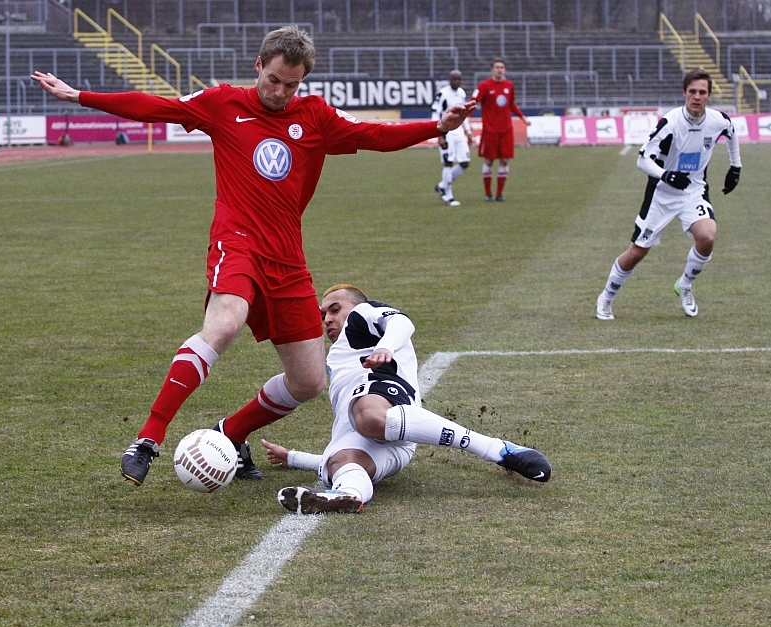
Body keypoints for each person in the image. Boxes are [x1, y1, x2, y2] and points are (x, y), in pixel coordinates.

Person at [31, 26, 474, 489]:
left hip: (288, 257)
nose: (280, 92)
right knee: (223, 326)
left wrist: (437, 128)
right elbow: (157, 106)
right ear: (258, 66)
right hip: (237, 241)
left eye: (291, 85)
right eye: (274, 80)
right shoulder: (223, 103)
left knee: (308, 382)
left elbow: (373, 134)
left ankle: (231, 433)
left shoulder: (315, 115)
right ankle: (148, 439)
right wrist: (79, 96)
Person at [261, 284, 552, 514]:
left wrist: (385, 347)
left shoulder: (362, 316)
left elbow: (401, 322)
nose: (327, 319)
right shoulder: (337, 355)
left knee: (369, 418)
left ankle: (498, 449)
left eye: (335, 310)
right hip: (393, 445)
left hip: (384, 401)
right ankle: (347, 496)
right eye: (323, 315)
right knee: (341, 463)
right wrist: (293, 458)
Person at [596, 69, 741, 321]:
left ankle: (685, 284)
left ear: (709, 96)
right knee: (637, 252)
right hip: (661, 195)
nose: (697, 97)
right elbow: (642, 159)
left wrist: (735, 166)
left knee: (707, 236)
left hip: (693, 191)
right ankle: (606, 297)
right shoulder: (671, 123)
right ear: (684, 93)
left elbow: (731, 131)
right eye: (692, 91)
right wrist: (666, 175)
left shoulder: (717, 120)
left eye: (702, 92)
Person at [470, 58, 530, 202]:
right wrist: (466, 117)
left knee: (505, 160)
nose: (499, 70)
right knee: (489, 160)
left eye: (502, 67)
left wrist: (522, 117)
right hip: (490, 130)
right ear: (492, 69)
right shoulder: (484, 85)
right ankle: (488, 193)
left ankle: (499, 194)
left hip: (506, 130)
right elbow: (473, 101)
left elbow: (511, 104)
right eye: (497, 67)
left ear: (505, 70)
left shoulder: (509, 85)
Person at [431, 70, 472, 207]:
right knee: (448, 162)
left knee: (465, 162)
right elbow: (435, 113)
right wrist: (438, 134)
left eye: (459, 79)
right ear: (450, 80)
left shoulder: (461, 93)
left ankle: (442, 185)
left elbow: (464, 114)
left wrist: (468, 132)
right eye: (454, 79)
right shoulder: (442, 94)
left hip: (459, 132)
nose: (457, 81)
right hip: (446, 132)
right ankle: (448, 195)